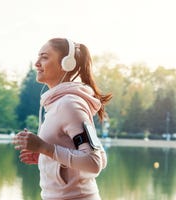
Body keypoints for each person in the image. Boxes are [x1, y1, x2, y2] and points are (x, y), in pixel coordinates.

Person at [13, 38, 112, 200]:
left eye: (44, 57)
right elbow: (100, 156)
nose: (37, 63)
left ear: (67, 64)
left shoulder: (69, 104)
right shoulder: (57, 104)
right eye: (38, 57)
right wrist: (47, 156)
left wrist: (45, 148)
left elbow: (95, 162)